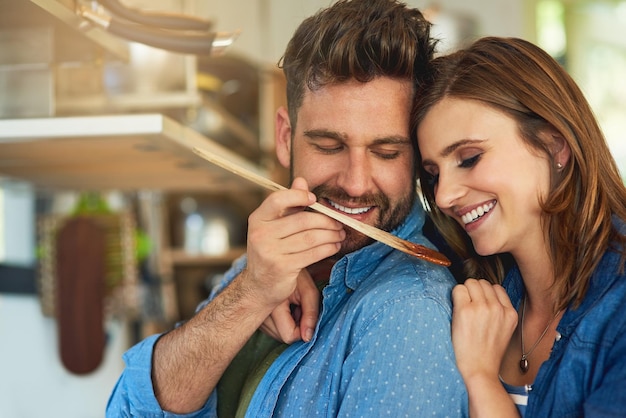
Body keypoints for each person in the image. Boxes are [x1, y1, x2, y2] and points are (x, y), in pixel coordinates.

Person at [106, 0, 468, 416]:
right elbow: (127, 409)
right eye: (328, 146)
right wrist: (251, 294)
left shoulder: (407, 315)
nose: (354, 182)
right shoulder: (262, 267)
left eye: (386, 152)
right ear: (285, 136)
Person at [413, 36, 626, 417]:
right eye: (432, 175)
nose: (443, 196)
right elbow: (379, 246)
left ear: (554, 145)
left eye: (469, 158)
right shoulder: (466, 273)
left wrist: (481, 378)